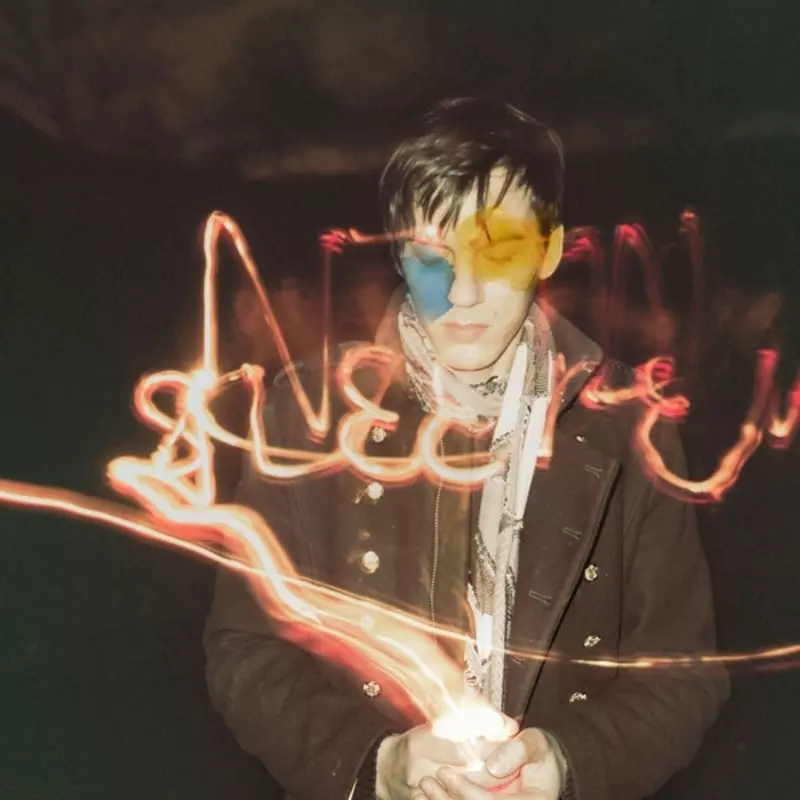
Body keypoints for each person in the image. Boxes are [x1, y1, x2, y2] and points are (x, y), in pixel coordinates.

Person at [203, 97, 729, 800]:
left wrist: (567, 761)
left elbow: (685, 673)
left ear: (548, 249)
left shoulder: (629, 424)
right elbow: (245, 650)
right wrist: (378, 763)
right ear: (399, 252)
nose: (463, 291)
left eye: (499, 250)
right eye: (432, 256)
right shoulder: (308, 413)